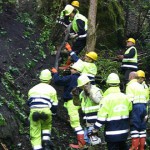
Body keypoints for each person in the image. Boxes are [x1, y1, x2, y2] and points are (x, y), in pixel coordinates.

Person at [89, 73, 132, 150]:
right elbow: (130, 111)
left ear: (108, 83)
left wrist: (95, 128)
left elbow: (101, 118)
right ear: (118, 83)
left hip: (111, 134)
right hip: (124, 132)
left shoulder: (105, 99)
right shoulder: (126, 98)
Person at [51, 63, 84, 148]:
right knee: (74, 116)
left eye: (72, 68)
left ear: (76, 70)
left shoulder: (72, 77)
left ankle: (81, 144)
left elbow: (59, 81)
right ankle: (71, 121)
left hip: (72, 101)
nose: (71, 69)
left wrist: (55, 73)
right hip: (78, 101)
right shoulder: (82, 78)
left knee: (75, 122)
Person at [27, 69, 58, 150]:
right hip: (46, 110)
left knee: (35, 130)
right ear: (50, 79)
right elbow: (54, 105)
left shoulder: (32, 89)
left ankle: (37, 147)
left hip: (34, 111)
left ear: (40, 78)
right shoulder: (52, 89)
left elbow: (29, 103)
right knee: (47, 125)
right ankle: (46, 142)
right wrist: (53, 113)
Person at [71, 74, 103, 148]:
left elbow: (99, 101)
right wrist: (75, 96)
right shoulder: (82, 93)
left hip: (95, 119)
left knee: (94, 141)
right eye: (81, 86)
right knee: (86, 140)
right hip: (87, 120)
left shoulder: (95, 90)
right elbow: (77, 104)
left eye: (83, 86)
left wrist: (89, 93)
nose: (82, 88)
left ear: (88, 83)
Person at [126, 71, 147, 150]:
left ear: (131, 77)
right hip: (143, 107)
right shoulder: (141, 86)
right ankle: (142, 148)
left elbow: (129, 100)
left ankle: (134, 147)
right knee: (142, 128)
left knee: (134, 127)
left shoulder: (130, 86)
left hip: (135, 107)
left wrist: (128, 112)